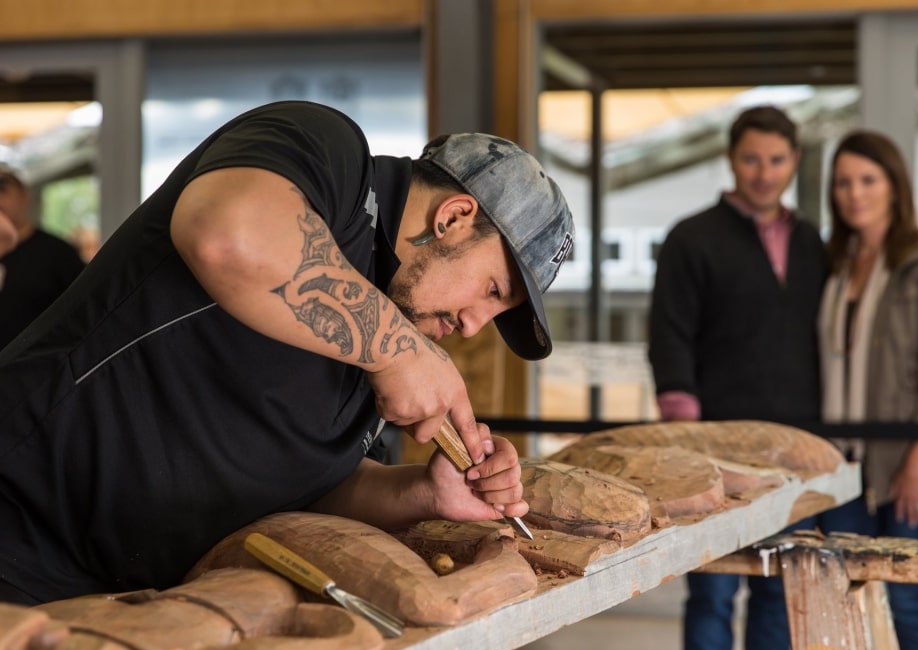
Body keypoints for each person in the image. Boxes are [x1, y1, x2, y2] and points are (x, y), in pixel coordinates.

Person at [0, 100, 575, 605]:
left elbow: (308, 486)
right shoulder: (330, 157)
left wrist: (419, 492)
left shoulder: (390, 330)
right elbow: (227, 233)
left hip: (122, 601)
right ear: (452, 218)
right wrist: (400, 353)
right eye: (492, 291)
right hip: (20, 527)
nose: (474, 325)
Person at [648, 105, 827, 650]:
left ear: (794, 162)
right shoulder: (690, 238)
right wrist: (686, 436)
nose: (764, 172)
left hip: (797, 449)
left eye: (776, 160)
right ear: (731, 160)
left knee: (778, 586)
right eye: (751, 158)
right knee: (713, 592)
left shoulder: (812, 243)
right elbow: (669, 334)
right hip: (715, 453)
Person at [816, 130, 918, 650]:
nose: (854, 193)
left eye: (868, 180)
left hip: (908, 470)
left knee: (906, 602)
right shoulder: (835, 265)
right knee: (843, 598)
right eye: (843, 183)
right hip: (844, 470)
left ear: (894, 186)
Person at [0, 161, 86, 349]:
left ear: (24, 197)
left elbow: (85, 311)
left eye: (2, 187)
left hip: (36, 369)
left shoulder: (57, 253)